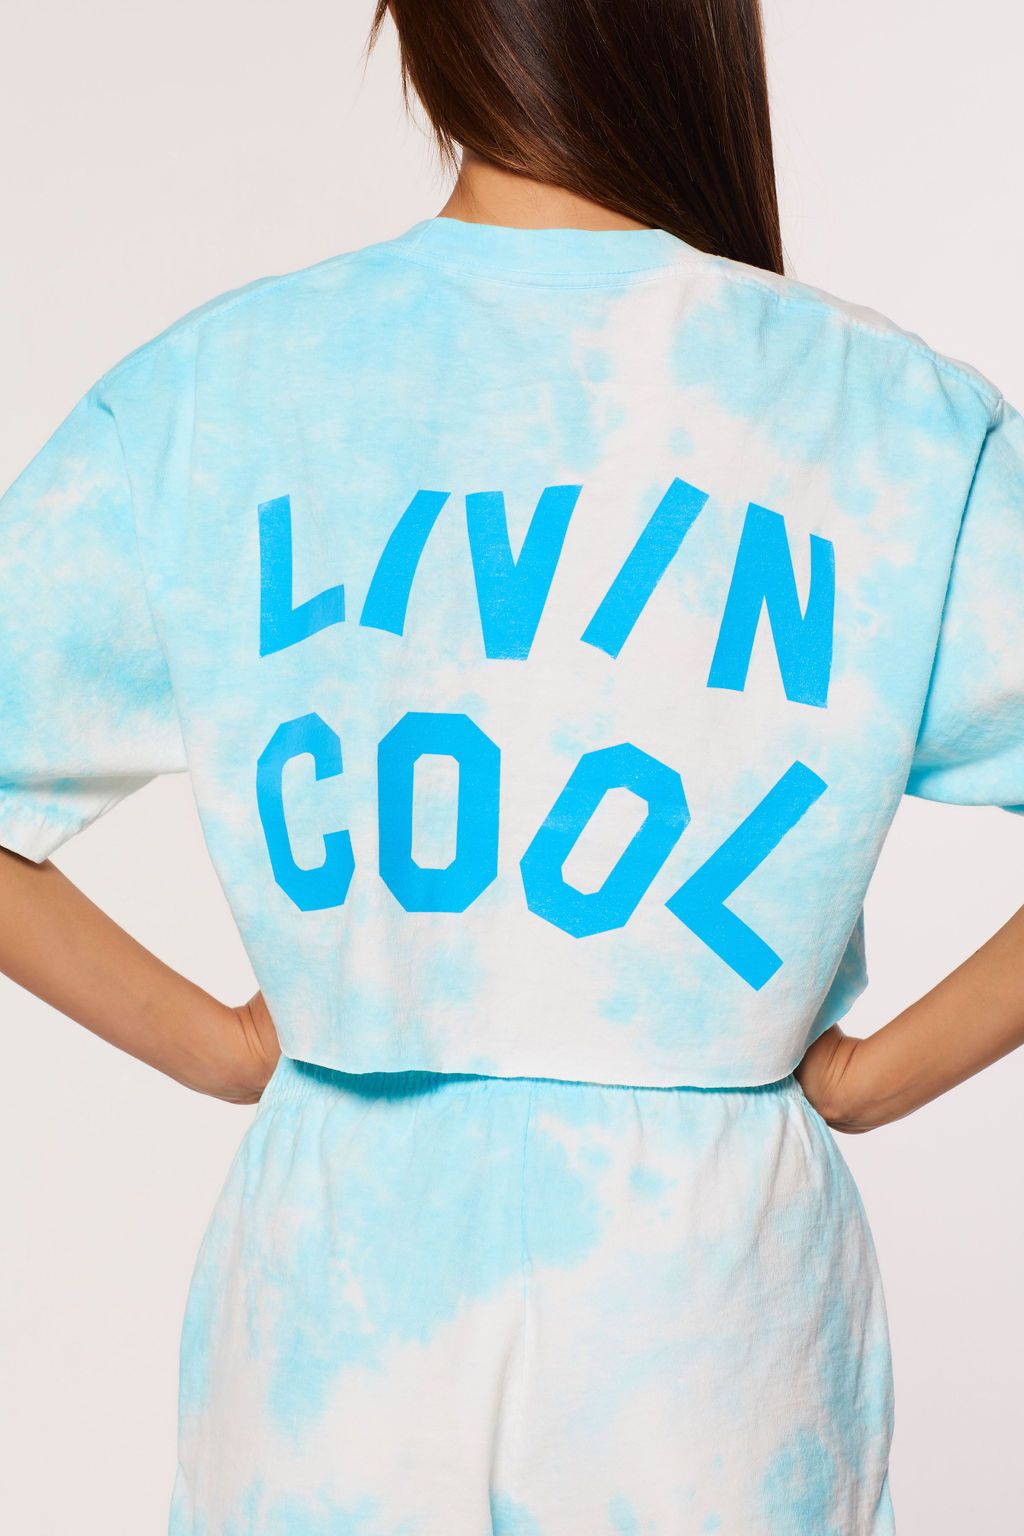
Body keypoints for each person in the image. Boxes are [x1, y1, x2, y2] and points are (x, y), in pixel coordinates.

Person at [1, 1, 1022, 1531]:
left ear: (421, 31)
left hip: (337, 1292)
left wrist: (223, 1048)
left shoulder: (219, 392)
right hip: (707, 1309)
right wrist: (878, 1076)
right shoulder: (887, 417)